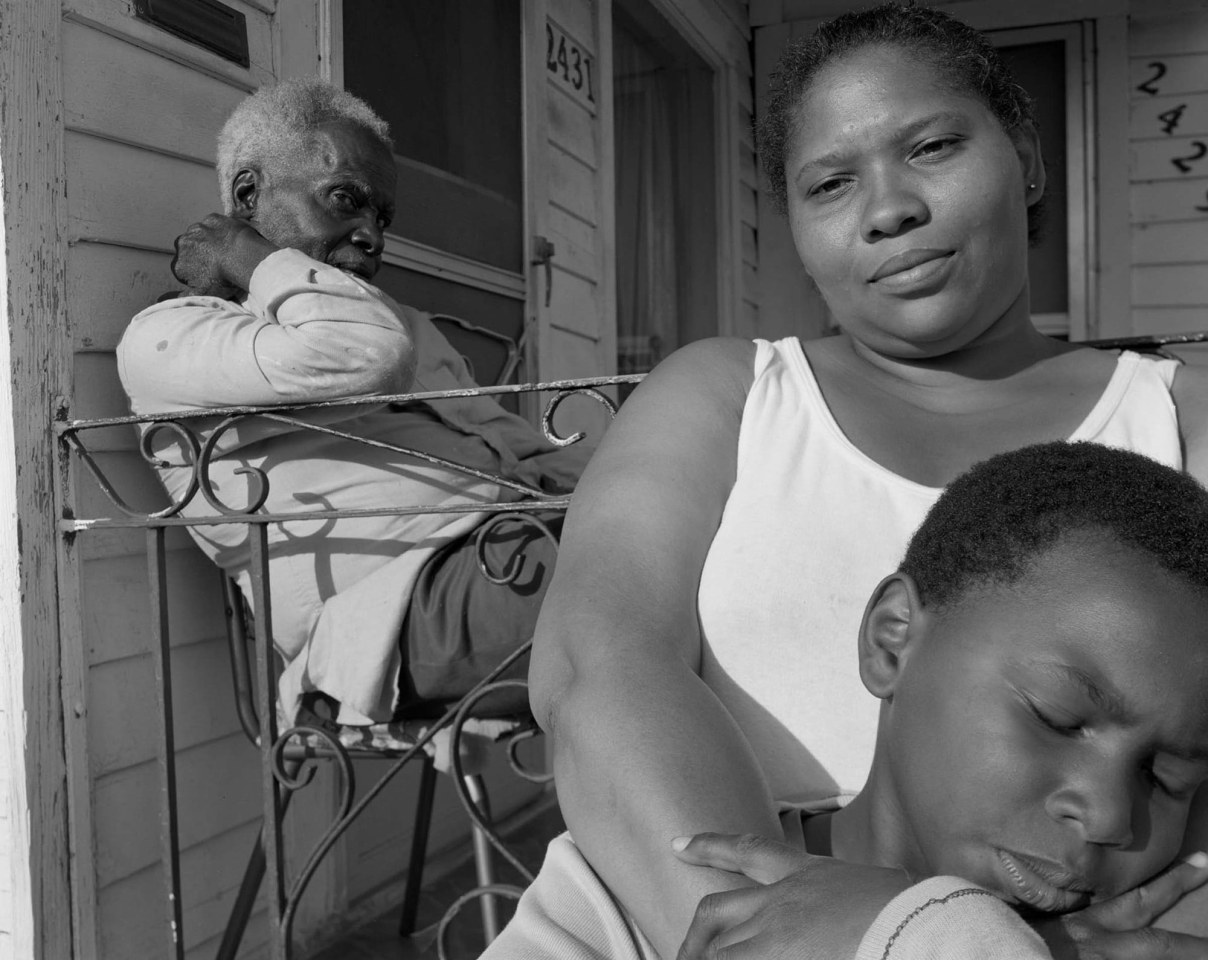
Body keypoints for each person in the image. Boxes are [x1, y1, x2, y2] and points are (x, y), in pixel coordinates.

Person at [481, 3, 1208, 959]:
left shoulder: (1180, 415)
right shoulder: (727, 396)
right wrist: (811, 936)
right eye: (830, 183)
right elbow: (599, 666)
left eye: (932, 147)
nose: (888, 208)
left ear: (1027, 159)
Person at [117, 78, 585, 725]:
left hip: (518, 544)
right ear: (248, 196)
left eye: (381, 219)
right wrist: (245, 255)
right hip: (402, 608)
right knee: (662, 573)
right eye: (345, 200)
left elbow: (516, 445)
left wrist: (628, 479)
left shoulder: (399, 323)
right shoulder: (173, 335)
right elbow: (368, 353)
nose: (372, 237)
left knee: (703, 494)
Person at [671, 441, 1208, 959]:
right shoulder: (637, 907)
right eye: (1057, 718)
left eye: (1167, 779)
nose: (1109, 817)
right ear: (892, 641)